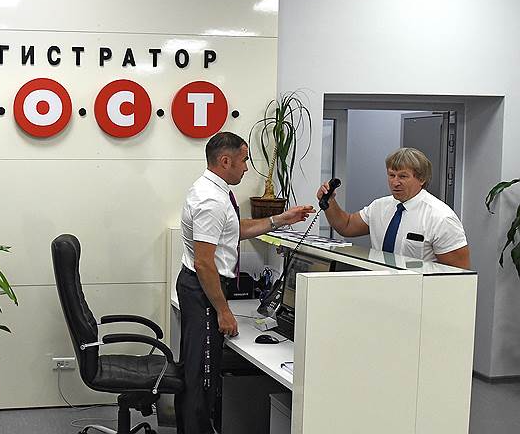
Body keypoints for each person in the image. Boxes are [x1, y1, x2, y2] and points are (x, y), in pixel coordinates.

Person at [176, 132, 313, 434]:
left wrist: (281, 219)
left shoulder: (213, 190)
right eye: (244, 159)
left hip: (200, 286)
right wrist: (223, 311)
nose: (247, 167)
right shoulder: (211, 200)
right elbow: (204, 263)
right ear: (225, 161)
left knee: (198, 370)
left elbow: (232, 230)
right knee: (203, 376)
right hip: (204, 288)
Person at [316, 147, 470, 269]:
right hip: (382, 287)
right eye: (391, 175)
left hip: (420, 292)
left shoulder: (440, 217)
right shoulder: (380, 206)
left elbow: (458, 273)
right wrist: (329, 201)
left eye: (403, 176)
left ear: (422, 179)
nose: (395, 182)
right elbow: (347, 226)